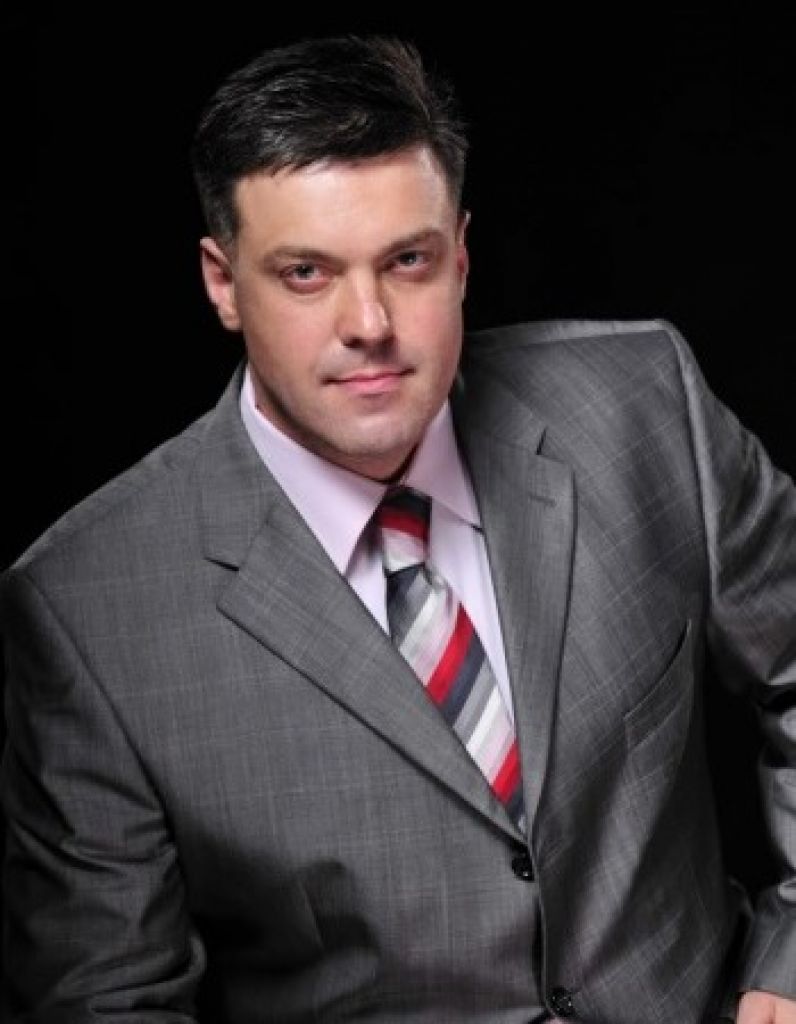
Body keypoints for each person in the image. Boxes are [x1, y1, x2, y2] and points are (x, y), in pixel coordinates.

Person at [1, 32, 794, 1024]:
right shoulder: (87, 608)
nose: (368, 322)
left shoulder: (642, 407)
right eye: (306, 273)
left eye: (406, 260)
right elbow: (104, 1000)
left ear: (460, 255)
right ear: (221, 281)